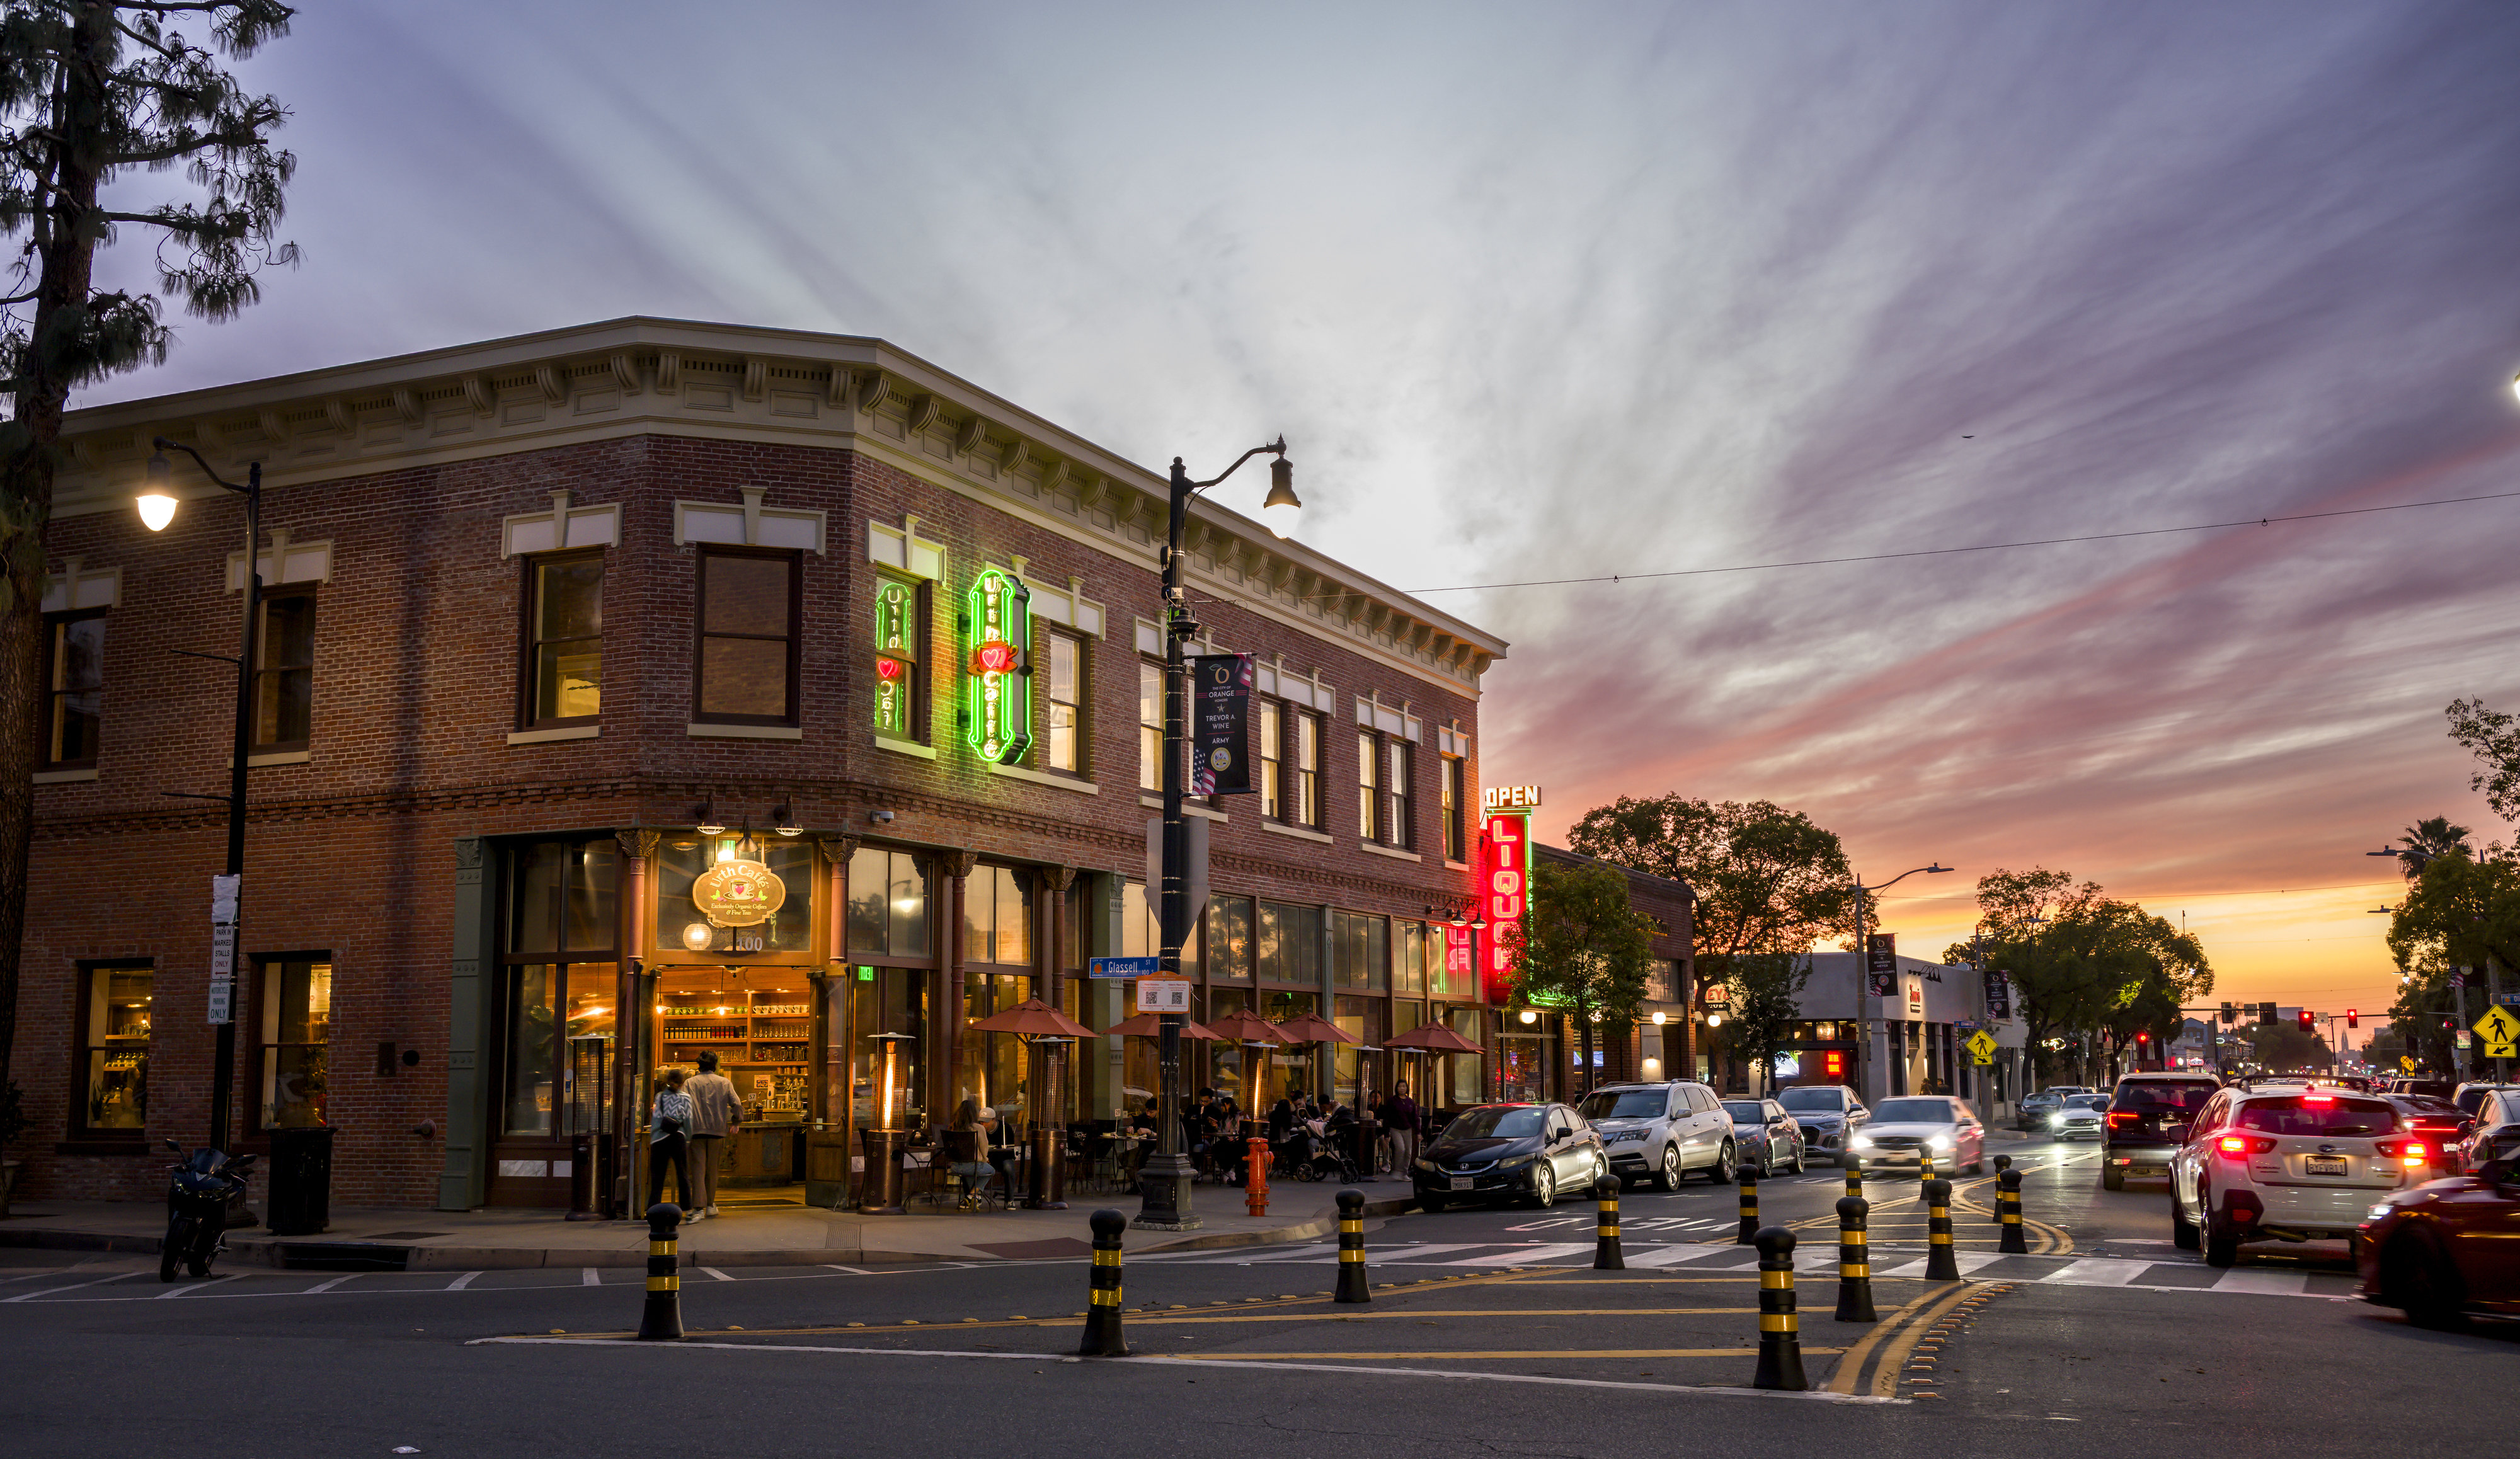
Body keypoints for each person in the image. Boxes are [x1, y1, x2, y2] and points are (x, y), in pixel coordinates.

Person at [682, 1051, 742, 1220]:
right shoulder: (724, 1082)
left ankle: (699, 1207)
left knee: (698, 1170)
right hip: (717, 1131)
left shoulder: (689, 1083)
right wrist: (736, 1122)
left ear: (699, 1065)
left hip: (696, 1132)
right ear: (715, 1065)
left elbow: (683, 1105)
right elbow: (736, 1104)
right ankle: (710, 1205)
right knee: (713, 1170)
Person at [648, 1068, 694, 1215]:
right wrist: (688, 1138)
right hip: (677, 1137)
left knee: (657, 1177)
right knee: (683, 1175)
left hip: (659, 1140)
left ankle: (652, 1210)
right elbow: (688, 1120)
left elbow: (656, 1119)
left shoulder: (660, 1097)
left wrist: (654, 1137)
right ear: (681, 1083)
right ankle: (687, 1209)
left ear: (667, 1081)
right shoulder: (686, 1098)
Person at [1382, 1082, 1421, 1181]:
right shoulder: (1392, 1101)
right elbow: (1387, 1117)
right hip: (1395, 1129)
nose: (1402, 1088)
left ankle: (1404, 1173)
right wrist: (1386, 1134)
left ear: (1407, 1088)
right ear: (1397, 1088)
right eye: (1400, 1086)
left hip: (1408, 1129)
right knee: (1401, 1148)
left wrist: (1418, 1132)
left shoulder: (1410, 1102)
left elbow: (1415, 1118)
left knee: (1408, 1152)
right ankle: (1397, 1171)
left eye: (1404, 1086)